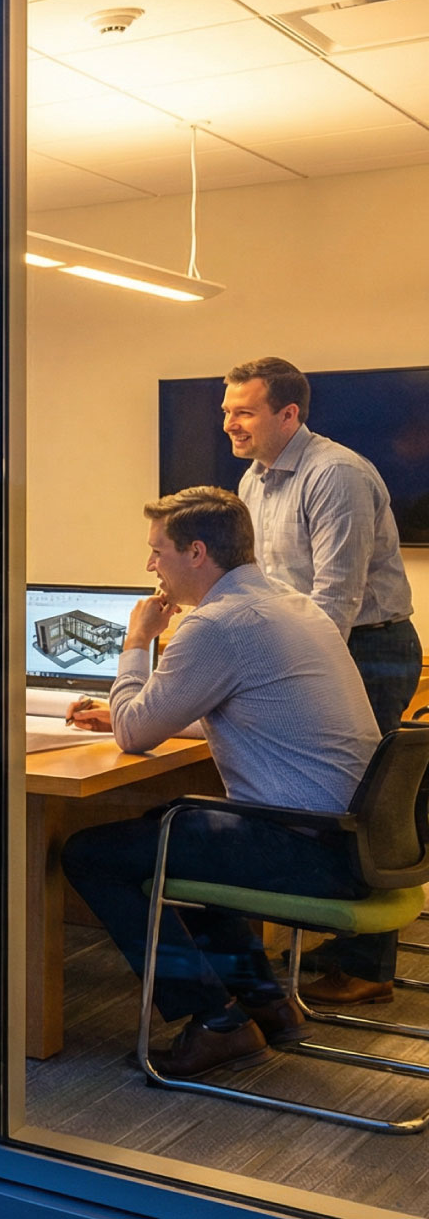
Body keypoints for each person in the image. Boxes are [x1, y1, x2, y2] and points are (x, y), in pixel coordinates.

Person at [59, 487, 382, 1078]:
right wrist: (152, 706)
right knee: (182, 833)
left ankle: (217, 1021)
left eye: (157, 552)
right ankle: (265, 1002)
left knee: (92, 853)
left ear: (197, 552)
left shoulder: (217, 624)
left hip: (309, 848)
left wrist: (136, 642)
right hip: (358, 841)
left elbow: (133, 735)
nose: (150, 565)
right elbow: (253, 712)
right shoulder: (290, 604)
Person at [222, 355, 420, 1005]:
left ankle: (369, 966)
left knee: (364, 805)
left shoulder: (334, 475)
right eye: (226, 411)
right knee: (325, 800)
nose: (230, 423)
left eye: (243, 411)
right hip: (309, 647)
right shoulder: (254, 479)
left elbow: (335, 599)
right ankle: (337, 937)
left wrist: (270, 675)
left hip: (366, 649)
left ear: (288, 414)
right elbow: (262, 583)